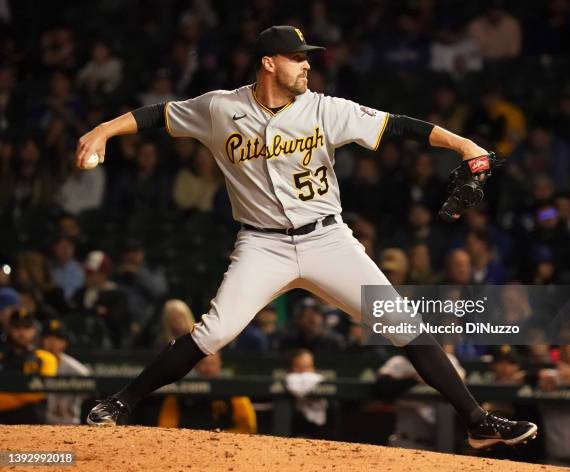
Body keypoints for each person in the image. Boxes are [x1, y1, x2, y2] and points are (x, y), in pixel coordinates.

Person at [76, 25, 536, 448]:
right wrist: (103, 131)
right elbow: (159, 115)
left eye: (308, 58)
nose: (308, 65)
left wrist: (463, 144)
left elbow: (397, 124)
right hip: (262, 245)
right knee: (214, 332)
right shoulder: (221, 107)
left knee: (402, 323)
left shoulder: (325, 108)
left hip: (327, 241)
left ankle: (476, 420)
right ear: (269, 63)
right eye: (297, 58)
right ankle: (122, 401)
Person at [0, 309, 57, 424]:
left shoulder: (45, 358)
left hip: (33, 423)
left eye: (27, 328)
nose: (22, 333)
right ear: (9, 329)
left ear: (34, 330)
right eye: (17, 328)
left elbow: (40, 391)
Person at [40, 319, 90, 424]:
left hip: (71, 424)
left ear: (65, 343)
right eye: (48, 337)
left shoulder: (77, 370)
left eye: (58, 338)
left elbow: (88, 400)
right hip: (41, 425)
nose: (52, 342)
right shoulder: (34, 365)